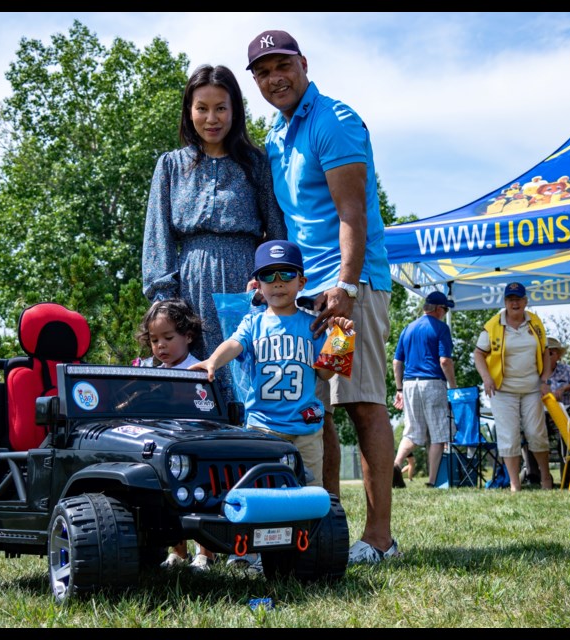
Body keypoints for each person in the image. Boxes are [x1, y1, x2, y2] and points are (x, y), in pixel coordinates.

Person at [246, 30, 398, 564]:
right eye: (262, 73)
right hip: (306, 291)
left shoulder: (333, 121)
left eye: (281, 65)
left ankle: (380, 538)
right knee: (316, 409)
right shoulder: (278, 132)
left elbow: (352, 214)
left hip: (348, 288)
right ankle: (326, 523)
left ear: (303, 64)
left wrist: (348, 288)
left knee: (361, 402)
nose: (273, 78)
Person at [191, 240, 353, 570]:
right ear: (258, 285)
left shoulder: (312, 324)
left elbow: (324, 373)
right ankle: (248, 550)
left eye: (286, 274)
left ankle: (311, 550)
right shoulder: (253, 323)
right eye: (268, 275)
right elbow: (234, 345)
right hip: (262, 426)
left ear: (301, 282)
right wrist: (211, 362)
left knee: (310, 491)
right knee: (259, 492)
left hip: (306, 428)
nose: (277, 281)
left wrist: (342, 339)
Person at [142, 63, 286, 404]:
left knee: (246, 379)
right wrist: (166, 303)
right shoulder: (171, 165)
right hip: (189, 289)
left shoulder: (257, 164)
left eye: (221, 108)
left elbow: (277, 232)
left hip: (245, 284)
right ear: (188, 112)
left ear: (235, 111)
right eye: (202, 108)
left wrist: (272, 285)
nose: (212, 118)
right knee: (195, 388)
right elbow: (157, 234)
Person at [132, 299, 216, 571]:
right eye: (154, 340)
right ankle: (177, 551)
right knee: (168, 500)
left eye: (168, 338)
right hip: (167, 452)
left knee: (204, 498)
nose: (161, 346)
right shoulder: (154, 374)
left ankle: (206, 553)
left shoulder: (198, 370)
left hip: (196, 449)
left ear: (188, 336)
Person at [473, 282, 553, 492]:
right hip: (502, 390)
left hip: (532, 388)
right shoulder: (493, 325)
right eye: (510, 299)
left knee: (537, 433)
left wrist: (545, 379)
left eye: (518, 299)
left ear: (526, 301)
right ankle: (514, 484)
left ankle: (546, 478)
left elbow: (545, 351)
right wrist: (486, 378)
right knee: (509, 436)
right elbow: (478, 354)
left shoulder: (535, 322)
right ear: (505, 302)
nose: (514, 303)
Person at [392, 291, 457, 487]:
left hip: (410, 383)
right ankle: (432, 481)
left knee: (412, 433)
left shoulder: (408, 328)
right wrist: (453, 387)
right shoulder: (441, 328)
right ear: (438, 309)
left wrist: (399, 389)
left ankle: (394, 466)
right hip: (433, 382)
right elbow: (445, 361)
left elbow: (396, 362)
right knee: (439, 434)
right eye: (445, 309)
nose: (445, 313)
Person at [522, 336, 570, 485]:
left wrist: (565, 388)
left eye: (552, 352)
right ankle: (534, 476)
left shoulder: (565, 369)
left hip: (562, 414)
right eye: (546, 352)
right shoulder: (534, 371)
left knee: (567, 438)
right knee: (528, 434)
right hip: (539, 413)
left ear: (558, 355)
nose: (548, 355)